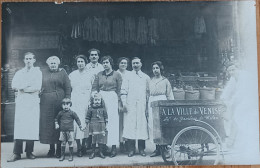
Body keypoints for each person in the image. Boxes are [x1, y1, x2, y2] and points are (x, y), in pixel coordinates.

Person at [7, 52, 42, 162]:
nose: (28, 60)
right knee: (20, 126)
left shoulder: (38, 72)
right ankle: (16, 153)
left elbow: (37, 87)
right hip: (22, 102)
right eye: (26, 58)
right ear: (24, 60)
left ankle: (29, 152)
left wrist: (22, 88)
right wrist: (26, 86)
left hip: (32, 102)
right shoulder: (19, 72)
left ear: (34, 60)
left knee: (31, 126)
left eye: (30, 58)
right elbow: (14, 85)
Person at [39, 56, 72, 158]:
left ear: (58, 64)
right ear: (48, 64)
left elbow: (68, 87)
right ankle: (51, 148)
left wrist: (67, 100)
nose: (53, 65)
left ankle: (59, 149)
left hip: (59, 102)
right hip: (46, 103)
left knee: (59, 124)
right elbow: (38, 84)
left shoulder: (63, 73)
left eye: (54, 63)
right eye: (51, 63)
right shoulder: (43, 72)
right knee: (49, 125)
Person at [92, 55, 122, 157]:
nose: (105, 64)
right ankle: (102, 147)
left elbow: (119, 90)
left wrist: (118, 102)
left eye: (107, 62)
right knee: (101, 122)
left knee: (112, 122)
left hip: (112, 98)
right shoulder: (99, 74)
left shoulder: (117, 75)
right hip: (101, 98)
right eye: (103, 63)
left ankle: (113, 147)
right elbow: (94, 88)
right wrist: (95, 96)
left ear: (111, 63)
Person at [122, 57, 150, 157]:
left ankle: (142, 149)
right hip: (130, 105)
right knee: (131, 127)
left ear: (141, 64)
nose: (135, 65)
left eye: (137, 63)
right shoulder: (127, 76)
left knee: (142, 126)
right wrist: (124, 103)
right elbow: (124, 91)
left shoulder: (146, 77)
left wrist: (147, 106)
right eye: (133, 63)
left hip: (142, 105)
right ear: (131, 65)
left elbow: (148, 93)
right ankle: (131, 149)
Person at [69, 55, 95, 157]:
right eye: (78, 61)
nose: (80, 63)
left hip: (86, 101)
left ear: (85, 62)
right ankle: (79, 147)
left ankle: (84, 145)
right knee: (76, 124)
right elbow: (69, 89)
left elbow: (93, 89)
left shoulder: (91, 74)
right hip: (75, 101)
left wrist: (91, 101)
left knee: (85, 123)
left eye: (82, 61)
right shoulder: (72, 75)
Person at [148, 61, 174, 157]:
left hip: (162, 101)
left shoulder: (165, 81)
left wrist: (170, 105)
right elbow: (147, 94)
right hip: (152, 102)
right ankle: (157, 148)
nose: (155, 70)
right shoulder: (150, 81)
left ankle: (165, 148)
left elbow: (169, 94)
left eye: (157, 68)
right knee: (153, 125)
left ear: (161, 69)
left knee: (163, 125)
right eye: (154, 68)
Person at [86, 93, 108, 159]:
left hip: (101, 125)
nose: (97, 101)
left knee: (100, 139)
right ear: (93, 101)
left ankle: (100, 152)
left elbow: (105, 116)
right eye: (96, 100)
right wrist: (87, 122)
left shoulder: (103, 109)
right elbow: (88, 117)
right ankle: (93, 152)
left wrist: (106, 123)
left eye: (99, 100)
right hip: (93, 125)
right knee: (94, 139)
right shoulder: (91, 109)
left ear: (101, 101)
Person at [116, 57, 131, 152]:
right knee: (120, 123)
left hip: (128, 100)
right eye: (121, 63)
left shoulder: (130, 74)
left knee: (128, 122)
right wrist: (118, 102)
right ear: (118, 64)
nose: (123, 65)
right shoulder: (115, 74)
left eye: (125, 63)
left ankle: (128, 142)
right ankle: (121, 142)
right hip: (118, 100)